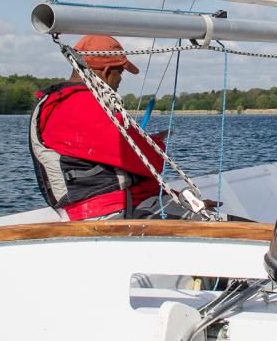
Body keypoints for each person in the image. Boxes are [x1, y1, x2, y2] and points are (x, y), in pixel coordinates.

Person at [29, 34, 190, 220]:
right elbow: (152, 162)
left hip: (123, 207)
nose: (120, 80)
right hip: (110, 213)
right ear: (106, 71)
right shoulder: (82, 107)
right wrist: (155, 143)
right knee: (217, 222)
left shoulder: (62, 104)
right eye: (120, 72)